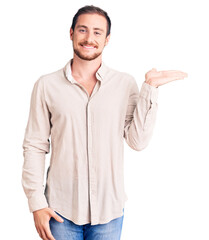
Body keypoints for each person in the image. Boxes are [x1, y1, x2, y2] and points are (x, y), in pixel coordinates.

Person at [21, 5, 188, 240]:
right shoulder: (46, 86)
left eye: (97, 32)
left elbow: (137, 141)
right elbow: (35, 146)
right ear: (71, 33)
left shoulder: (124, 84)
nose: (89, 38)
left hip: (109, 213)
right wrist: (36, 203)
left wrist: (150, 88)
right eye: (83, 30)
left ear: (107, 39)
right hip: (59, 212)